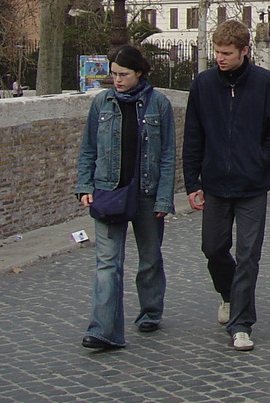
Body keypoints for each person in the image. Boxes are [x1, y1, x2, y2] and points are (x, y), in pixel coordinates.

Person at [183, 20, 270, 352]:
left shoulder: (264, 84)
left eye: (227, 53)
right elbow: (193, 136)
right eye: (216, 52)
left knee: (248, 255)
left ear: (245, 51)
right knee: (213, 248)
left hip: (252, 184)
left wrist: (262, 158)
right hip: (214, 183)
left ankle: (241, 324)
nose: (220, 58)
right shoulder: (203, 85)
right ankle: (228, 294)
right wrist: (191, 182)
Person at [74, 44, 175, 350]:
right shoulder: (102, 104)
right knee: (107, 263)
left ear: (139, 73)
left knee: (149, 258)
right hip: (109, 191)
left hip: (146, 193)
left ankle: (150, 311)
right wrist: (85, 186)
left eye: (123, 74)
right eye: (113, 74)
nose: (117, 80)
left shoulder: (159, 104)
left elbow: (168, 155)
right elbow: (88, 148)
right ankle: (103, 330)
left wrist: (163, 199)